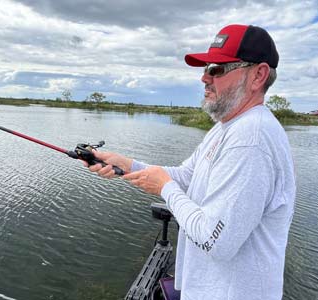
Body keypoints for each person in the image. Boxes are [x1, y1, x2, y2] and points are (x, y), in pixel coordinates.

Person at [85, 24, 296, 300]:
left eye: (217, 69)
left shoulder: (251, 139)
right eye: (206, 67)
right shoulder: (227, 127)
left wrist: (164, 188)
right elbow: (186, 176)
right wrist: (126, 163)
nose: (204, 78)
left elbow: (214, 239)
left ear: (258, 75)